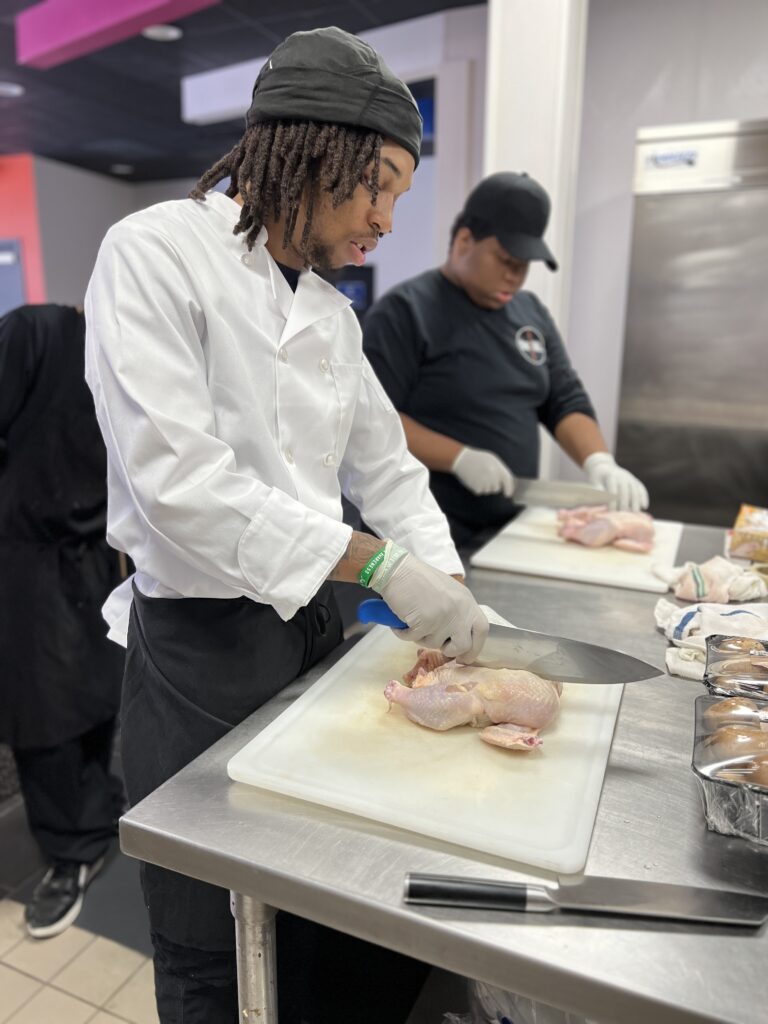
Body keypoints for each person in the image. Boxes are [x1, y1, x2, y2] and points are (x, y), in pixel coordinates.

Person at [84, 25, 488, 1024]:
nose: (389, 220)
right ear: (310, 151)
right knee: (211, 949)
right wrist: (380, 565)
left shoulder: (334, 318)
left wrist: (449, 596)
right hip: (197, 659)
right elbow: (180, 484)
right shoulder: (154, 254)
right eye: (378, 186)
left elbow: (387, 473)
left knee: (310, 922)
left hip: (308, 644)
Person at [363, 172, 649, 548]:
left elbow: (564, 398)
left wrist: (599, 462)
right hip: (426, 533)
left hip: (509, 529)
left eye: (525, 264)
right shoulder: (405, 312)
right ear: (465, 241)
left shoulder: (530, 313)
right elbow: (372, 418)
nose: (516, 276)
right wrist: (459, 458)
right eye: (505, 259)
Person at [0, 303, 125, 938]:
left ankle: (96, 815)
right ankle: (71, 851)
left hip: (95, 552)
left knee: (96, 696)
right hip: (24, 555)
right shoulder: (39, 334)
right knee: (42, 711)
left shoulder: (136, 359)